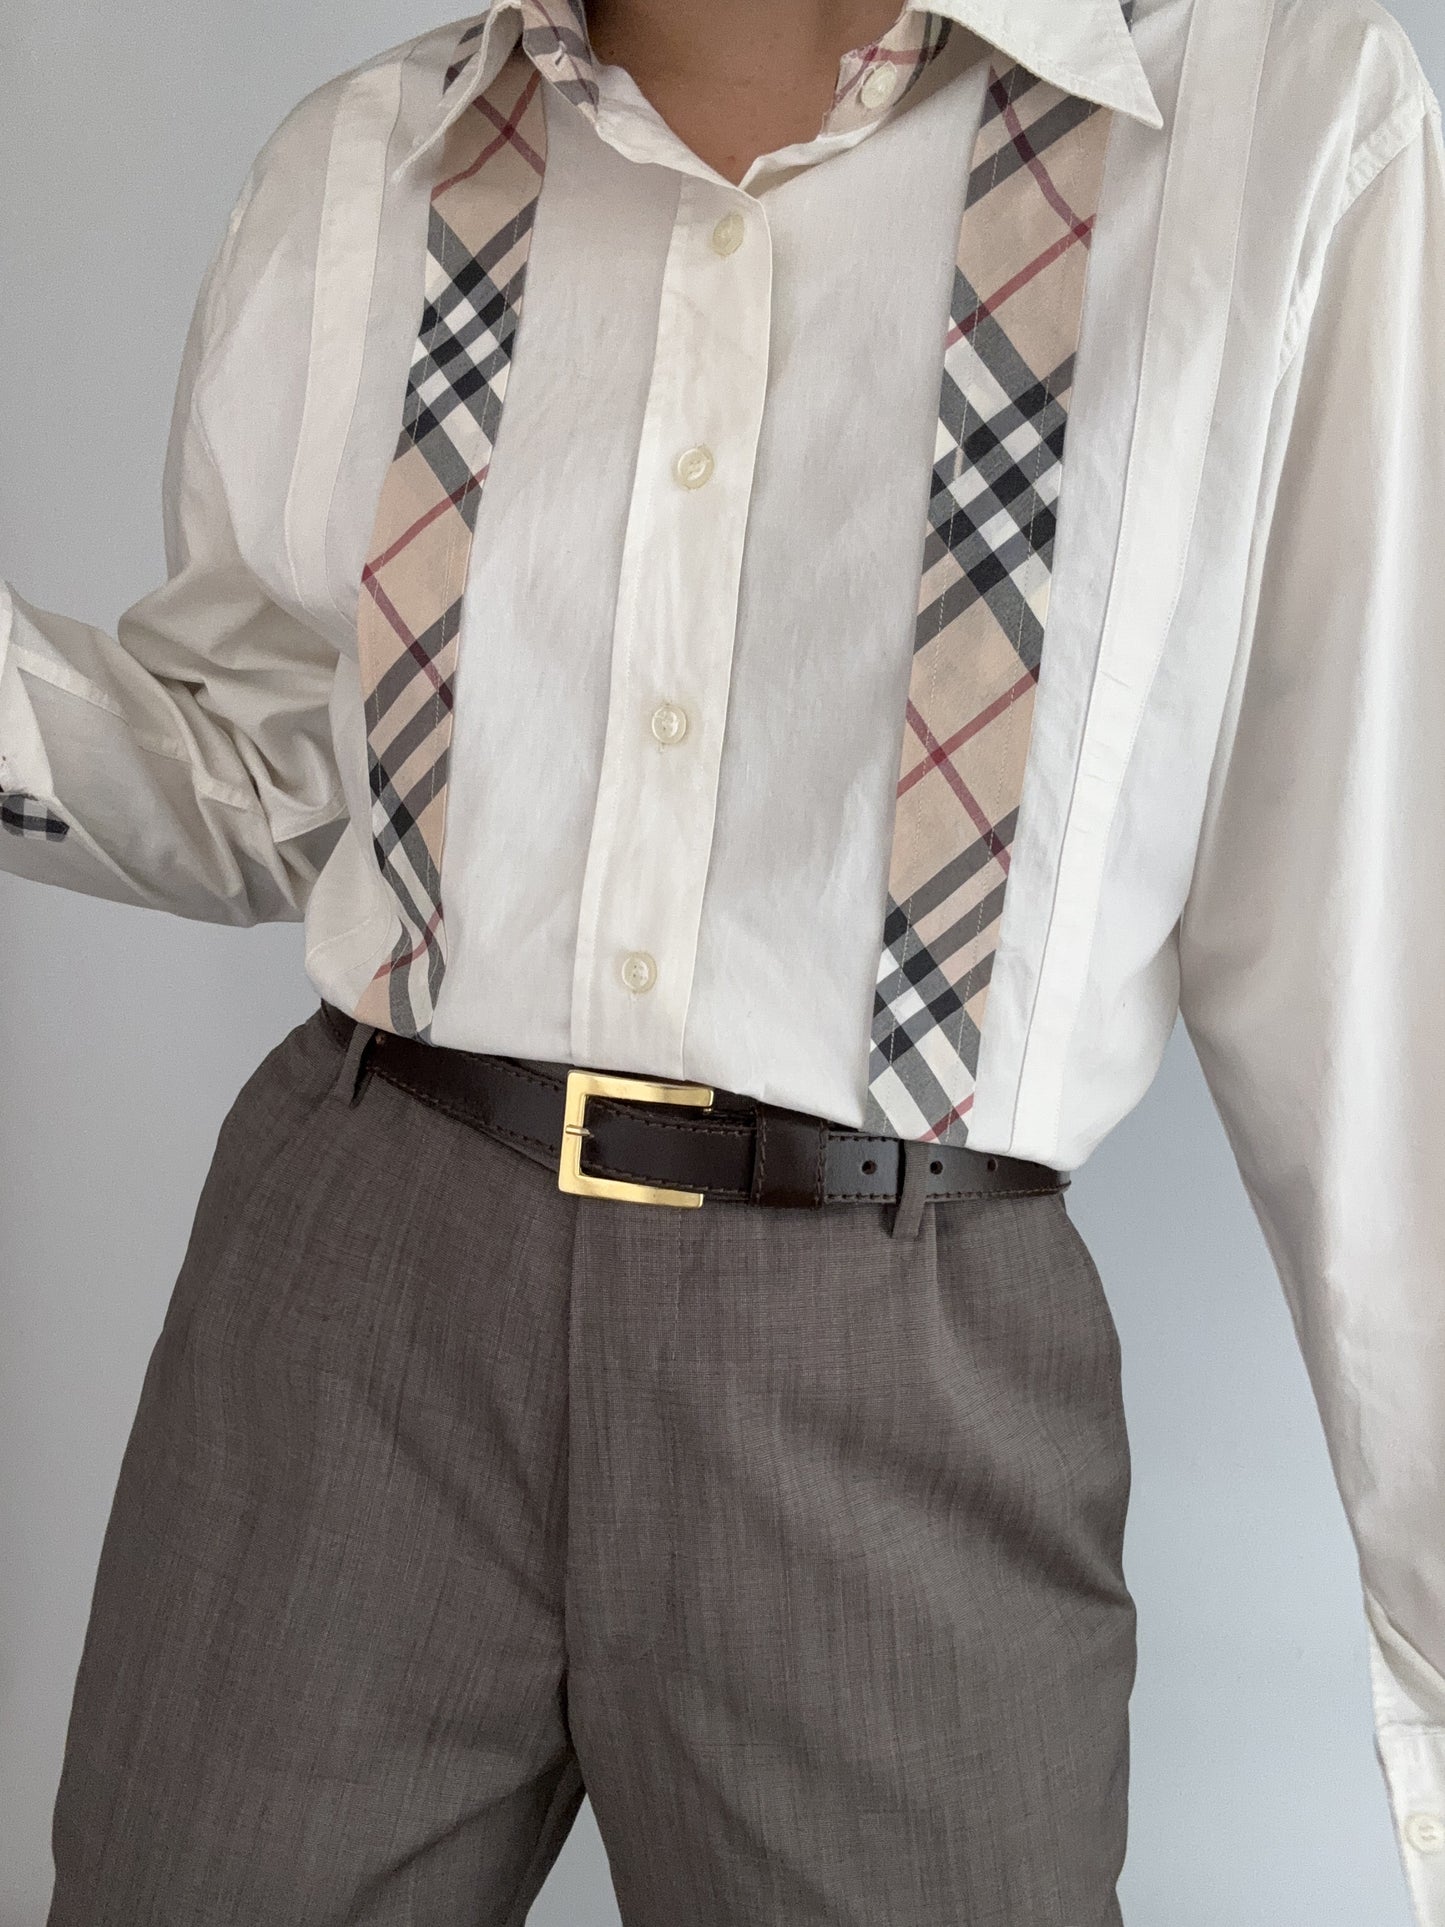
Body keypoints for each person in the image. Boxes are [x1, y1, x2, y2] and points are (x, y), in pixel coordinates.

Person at [4, 0, 1444, 1920]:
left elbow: (1375, 955)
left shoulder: (1275, 121)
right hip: (353, 1290)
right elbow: (264, 772)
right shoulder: (370, 157)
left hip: (896, 1355)